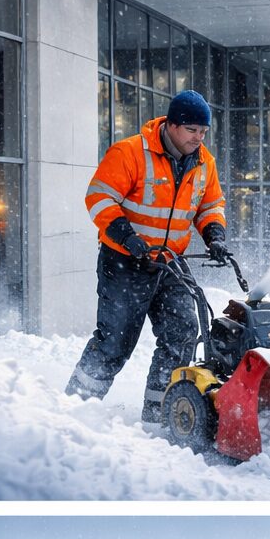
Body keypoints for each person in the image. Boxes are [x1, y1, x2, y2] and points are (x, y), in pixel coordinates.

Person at [67, 90, 230, 421]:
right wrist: (127, 237)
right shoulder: (129, 152)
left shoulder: (204, 163)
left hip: (169, 262)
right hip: (125, 261)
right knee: (115, 342)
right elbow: (99, 197)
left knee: (182, 330)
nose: (198, 138)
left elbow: (210, 205)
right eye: (191, 130)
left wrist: (214, 234)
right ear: (171, 125)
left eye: (203, 131)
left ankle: (159, 409)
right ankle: (74, 407)